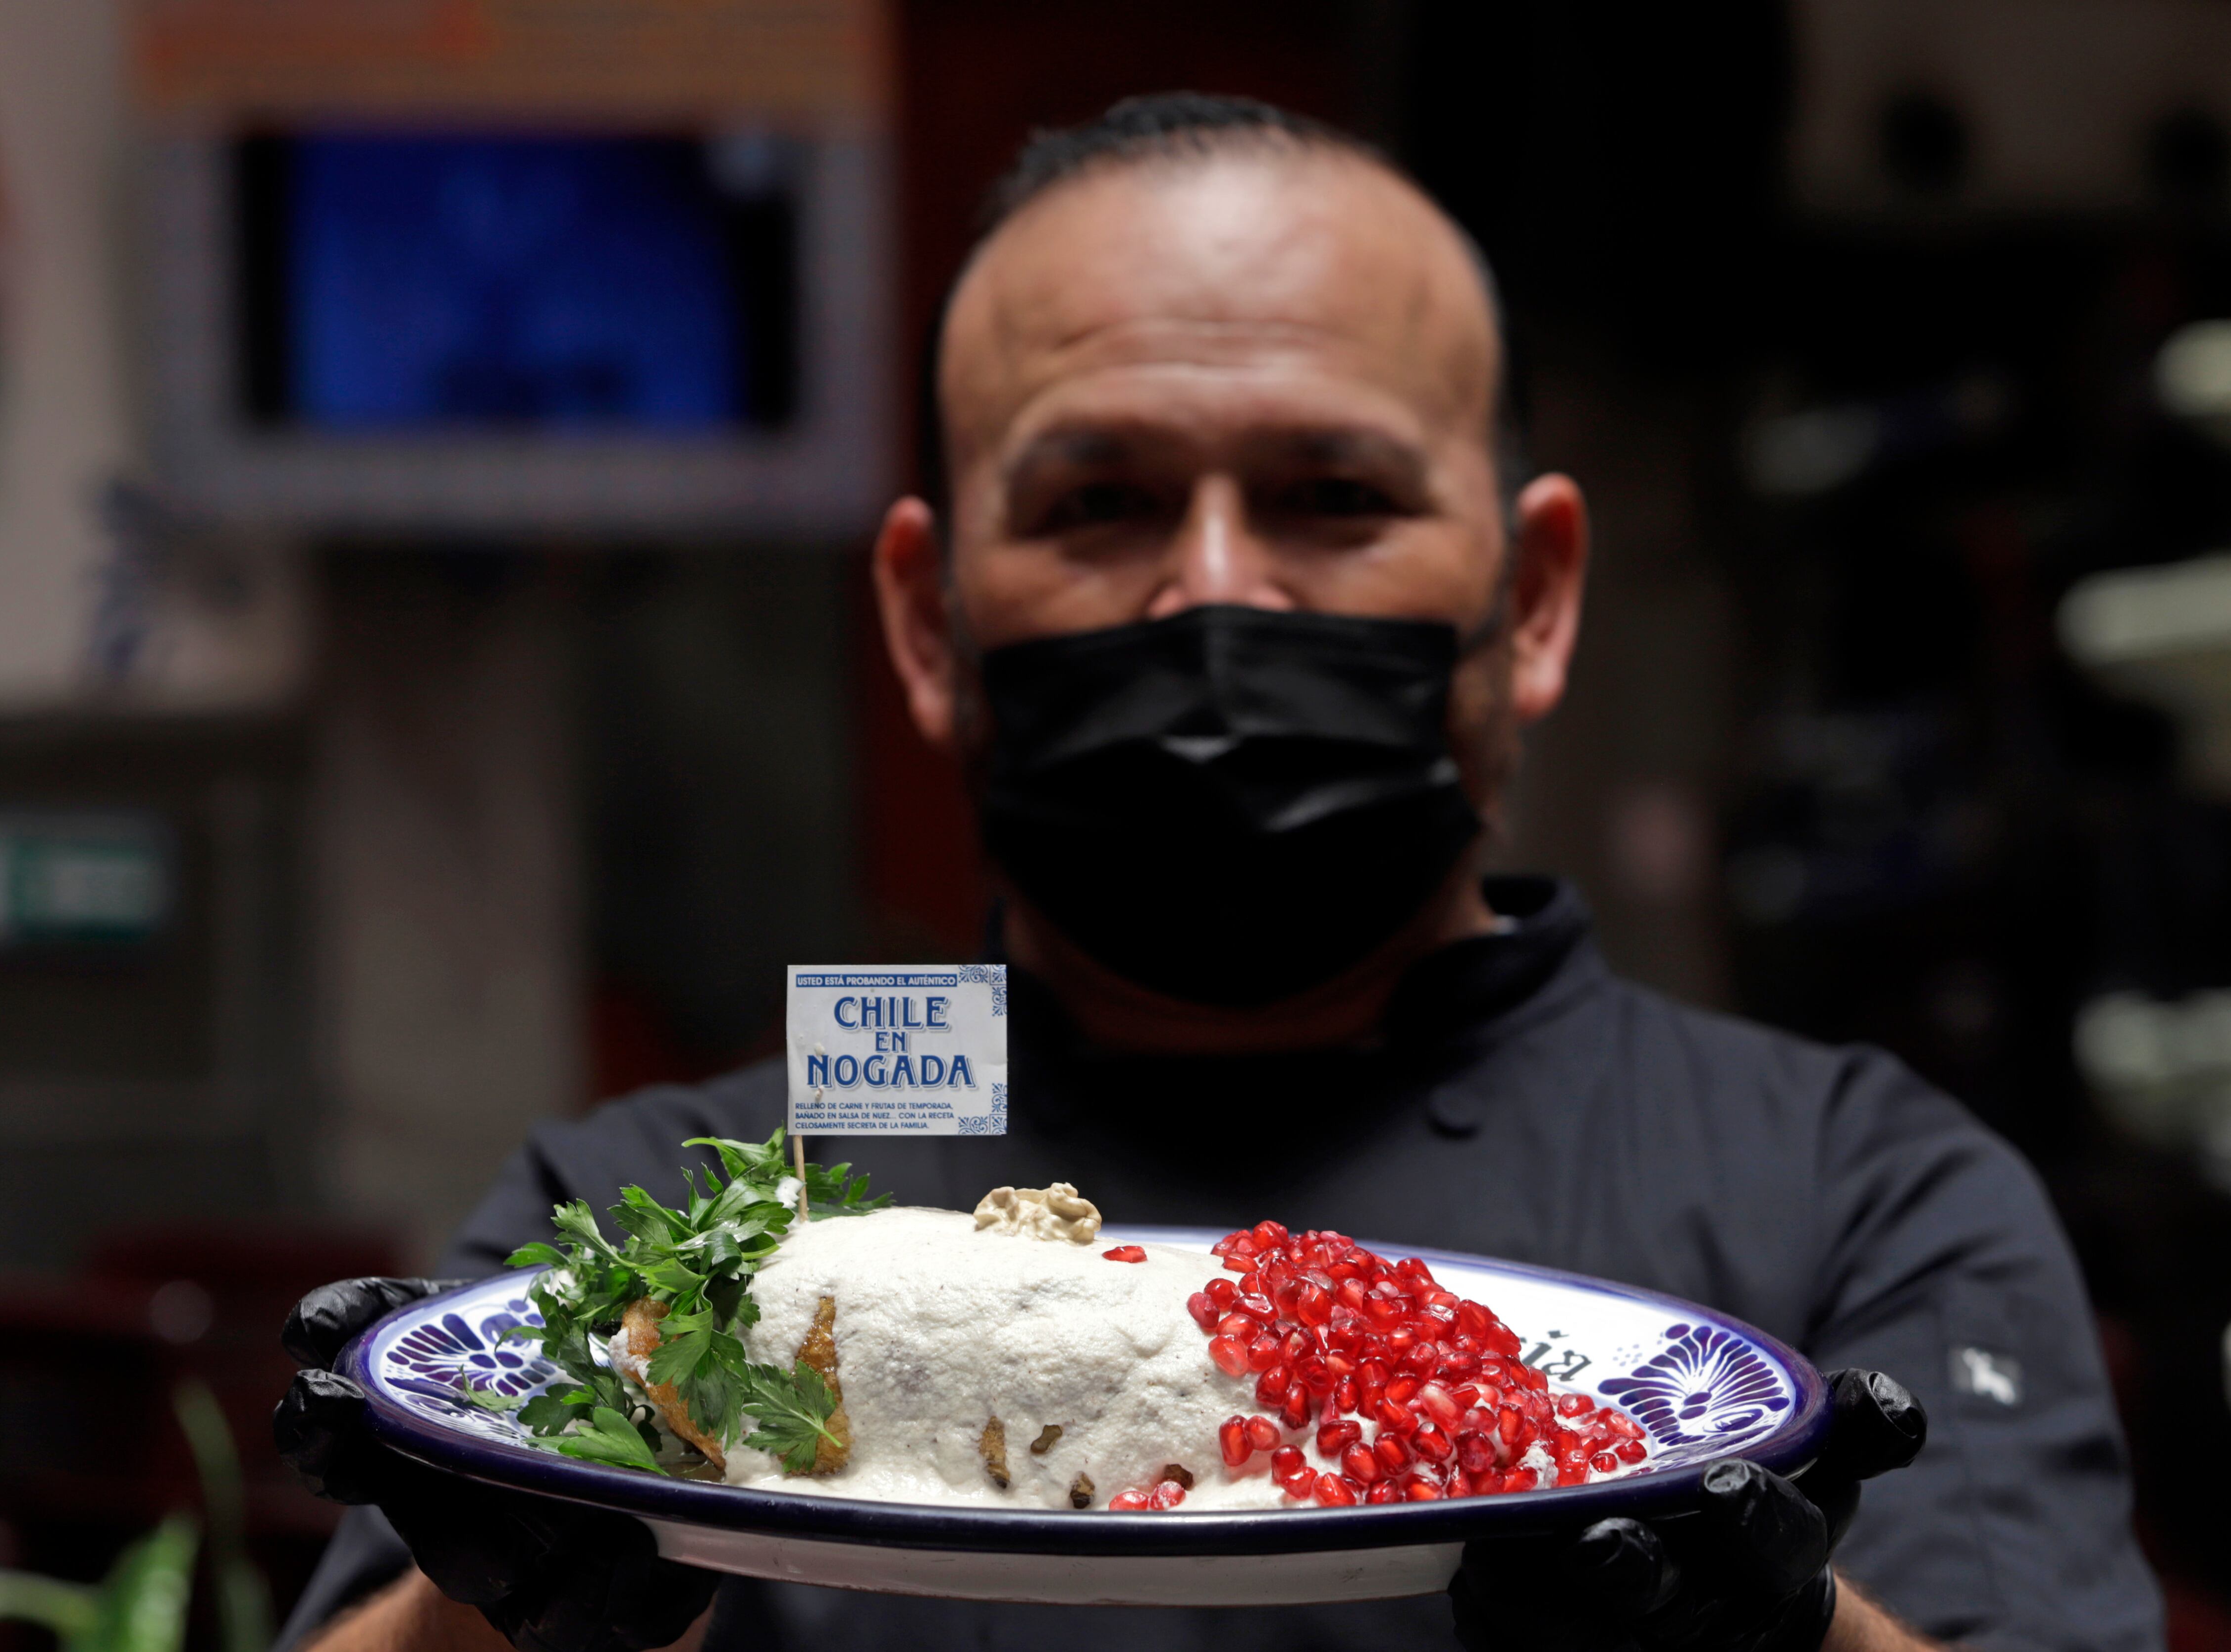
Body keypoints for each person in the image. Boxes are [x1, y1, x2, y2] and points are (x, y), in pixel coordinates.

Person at [270, 95, 2162, 1652]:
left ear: (1539, 600)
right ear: (930, 626)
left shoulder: (1853, 1191)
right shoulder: (656, 1232)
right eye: (1097, 504)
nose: (1217, 595)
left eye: (1337, 498)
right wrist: (503, 1605)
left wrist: (1790, 1636)